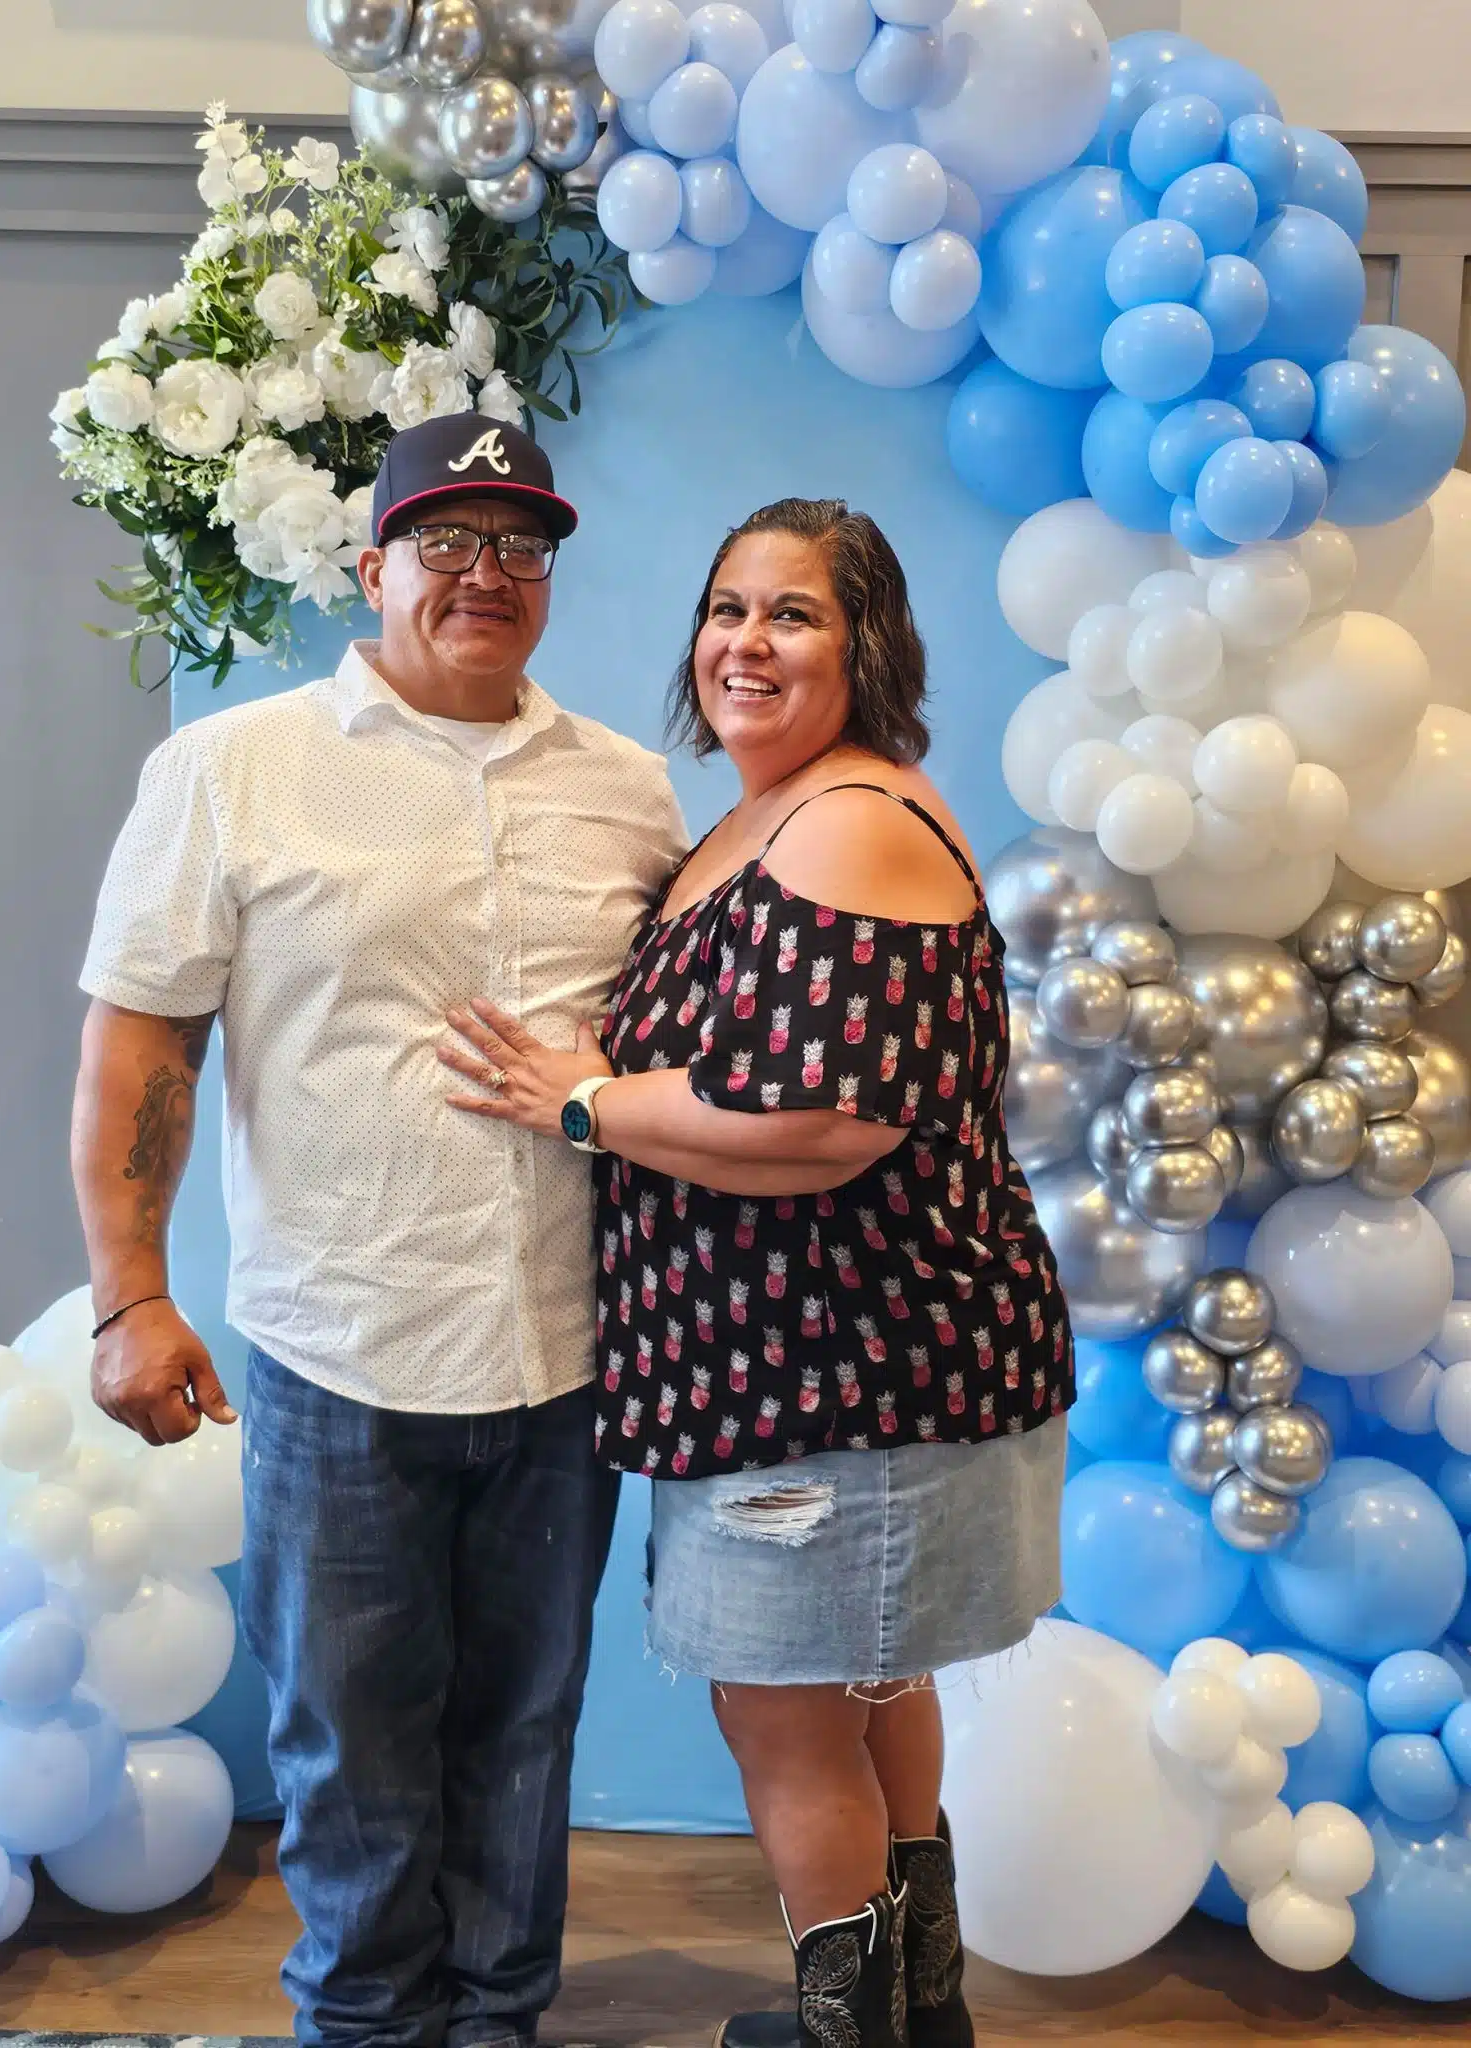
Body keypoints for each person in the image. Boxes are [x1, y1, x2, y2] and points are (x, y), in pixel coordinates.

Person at [71, 413, 687, 2048]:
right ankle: (363, 2028)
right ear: (373, 568)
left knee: (524, 1730)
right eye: (448, 540)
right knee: (348, 1744)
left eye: (522, 546)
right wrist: (128, 1297)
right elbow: (143, 1044)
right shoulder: (234, 769)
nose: (488, 573)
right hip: (337, 1349)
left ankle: (497, 2023)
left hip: (563, 1353)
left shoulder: (629, 791)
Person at [437, 497, 1073, 2048]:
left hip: (838, 1376)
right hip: (800, 1372)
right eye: (727, 609)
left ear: (869, 647)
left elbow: (821, 1122)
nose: (746, 642)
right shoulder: (765, 815)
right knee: (864, 1690)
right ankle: (917, 2017)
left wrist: (581, 1104)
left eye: (793, 613)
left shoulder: (850, 819)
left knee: (785, 1718)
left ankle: (853, 2030)